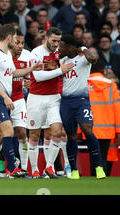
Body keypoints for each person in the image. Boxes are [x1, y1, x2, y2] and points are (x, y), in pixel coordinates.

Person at [0, 23, 42, 179]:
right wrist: (5, 96)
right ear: (9, 37)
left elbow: (13, 72)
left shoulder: (7, 55)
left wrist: (31, 69)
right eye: (15, 39)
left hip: (3, 99)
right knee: (9, 131)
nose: (16, 42)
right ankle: (12, 169)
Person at [26, 27, 74, 179]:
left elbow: (78, 50)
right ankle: (34, 169)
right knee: (34, 134)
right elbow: (38, 76)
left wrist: (59, 68)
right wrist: (60, 70)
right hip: (36, 97)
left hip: (54, 98)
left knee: (56, 131)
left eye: (59, 41)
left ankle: (49, 167)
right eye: (54, 40)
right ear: (46, 38)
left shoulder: (60, 53)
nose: (56, 44)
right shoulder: (36, 53)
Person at [58, 35, 105, 179]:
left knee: (87, 130)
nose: (60, 48)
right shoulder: (62, 61)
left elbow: (93, 58)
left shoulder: (83, 59)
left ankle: (98, 167)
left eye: (63, 45)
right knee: (71, 135)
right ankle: (74, 170)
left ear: (71, 47)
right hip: (66, 102)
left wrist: (83, 47)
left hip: (81, 100)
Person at [88, 59, 120, 176]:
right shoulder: (111, 85)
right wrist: (118, 130)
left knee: (93, 156)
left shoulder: (85, 83)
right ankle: (103, 176)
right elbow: (117, 110)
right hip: (108, 129)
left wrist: (79, 130)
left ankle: (93, 178)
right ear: (103, 70)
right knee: (104, 155)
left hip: (89, 128)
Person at [9, 30, 31, 174]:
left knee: (22, 132)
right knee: (3, 134)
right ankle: (0, 168)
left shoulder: (28, 56)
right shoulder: (2, 56)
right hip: (2, 99)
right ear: (10, 41)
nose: (20, 46)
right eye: (17, 42)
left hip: (18, 99)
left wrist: (29, 83)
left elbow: (31, 78)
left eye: (22, 43)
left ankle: (23, 168)